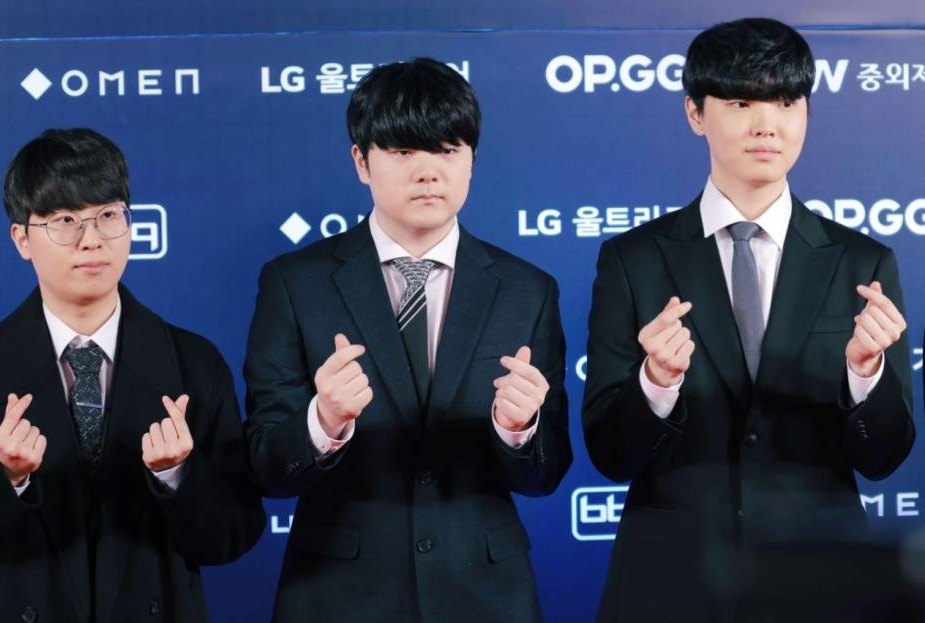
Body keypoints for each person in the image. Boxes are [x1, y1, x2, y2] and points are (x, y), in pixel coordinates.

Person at [581, 18, 914, 622]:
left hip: (821, 580)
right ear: (695, 113)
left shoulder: (862, 263)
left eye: (786, 102)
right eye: (741, 103)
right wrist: (655, 384)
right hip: (671, 580)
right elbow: (609, 454)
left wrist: (866, 376)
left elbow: (884, 458)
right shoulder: (634, 260)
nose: (767, 125)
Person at [244, 57, 572, 623]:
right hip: (338, 595)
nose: (428, 172)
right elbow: (264, 467)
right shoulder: (295, 283)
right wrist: (322, 422)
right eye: (402, 152)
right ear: (361, 161)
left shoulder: (527, 290)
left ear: (471, 160)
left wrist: (519, 430)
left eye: (447, 150)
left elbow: (546, 475)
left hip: (484, 595)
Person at [0, 129, 265, 623]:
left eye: (108, 215)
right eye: (65, 220)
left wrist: (178, 475)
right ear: (22, 239)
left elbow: (234, 536)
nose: (92, 240)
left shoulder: (194, 362)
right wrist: (6, 478)